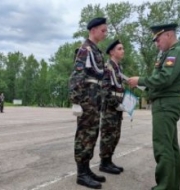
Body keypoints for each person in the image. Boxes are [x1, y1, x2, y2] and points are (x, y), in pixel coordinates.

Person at [127, 23, 180, 190]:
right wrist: (142, 85)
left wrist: (140, 80)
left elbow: (164, 78)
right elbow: (161, 80)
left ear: (168, 35)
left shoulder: (175, 53)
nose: (156, 43)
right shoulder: (170, 53)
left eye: (158, 39)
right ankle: (171, 185)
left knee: (163, 148)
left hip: (165, 105)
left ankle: (164, 186)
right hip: (166, 103)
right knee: (170, 147)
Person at [68, 17, 108, 189]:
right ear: (93, 31)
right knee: (84, 135)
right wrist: (76, 101)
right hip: (86, 100)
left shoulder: (95, 50)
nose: (105, 33)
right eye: (103, 30)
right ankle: (81, 174)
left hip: (94, 99)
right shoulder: (85, 50)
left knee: (92, 134)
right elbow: (76, 76)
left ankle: (86, 169)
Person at [99, 39, 125, 175]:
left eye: (122, 48)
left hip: (118, 108)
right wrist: (116, 104)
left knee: (115, 135)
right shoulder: (107, 67)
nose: (123, 51)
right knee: (108, 135)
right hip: (110, 108)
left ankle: (109, 161)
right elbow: (105, 90)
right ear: (112, 52)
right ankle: (104, 163)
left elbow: (120, 89)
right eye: (119, 49)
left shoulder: (118, 68)